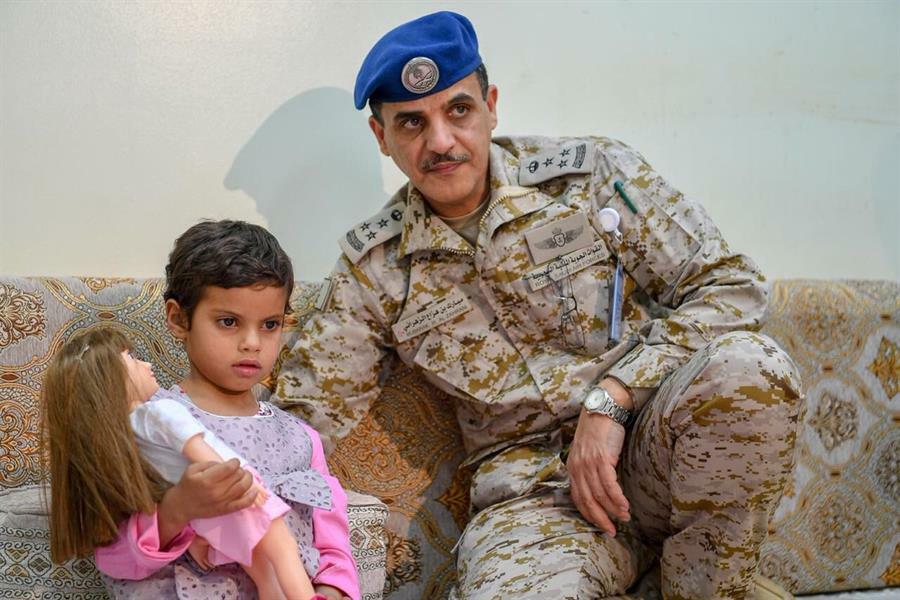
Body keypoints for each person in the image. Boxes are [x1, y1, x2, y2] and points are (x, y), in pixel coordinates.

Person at [275, 11, 802, 600]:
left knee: (749, 366)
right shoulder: (376, 268)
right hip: (533, 500)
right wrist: (205, 457)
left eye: (458, 110)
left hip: (654, 448)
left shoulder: (590, 180)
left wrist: (614, 398)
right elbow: (303, 417)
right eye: (412, 123)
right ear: (382, 138)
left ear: (491, 106)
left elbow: (733, 287)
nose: (440, 142)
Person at [81, 221, 359, 600]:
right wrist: (177, 509)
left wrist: (332, 591)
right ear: (179, 319)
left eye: (270, 325)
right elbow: (114, 559)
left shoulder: (301, 439)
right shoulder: (147, 427)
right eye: (228, 322)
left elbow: (333, 549)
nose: (252, 343)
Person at [42, 326, 323, 599]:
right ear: (110, 379)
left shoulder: (129, 439)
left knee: (262, 571)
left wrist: (197, 535)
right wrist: (241, 481)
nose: (147, 364)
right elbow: (196, 447)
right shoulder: (159, 411)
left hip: (207, 516)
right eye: (133, 359)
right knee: (283, 547)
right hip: (234, 486)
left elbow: (168, 479)